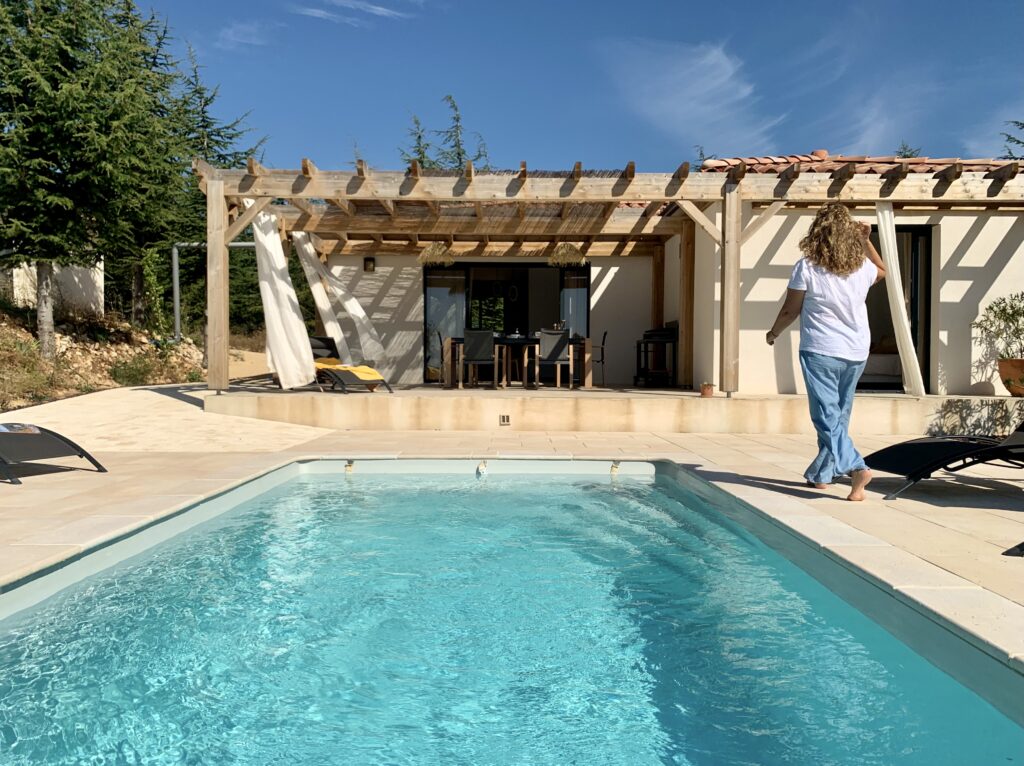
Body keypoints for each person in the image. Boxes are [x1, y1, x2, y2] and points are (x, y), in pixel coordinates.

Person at [766, 202, 886, 501]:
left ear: (817, 233)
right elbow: (883, 271)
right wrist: (866, 240)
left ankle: (856, 467)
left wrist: (774, 332)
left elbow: (790, 309)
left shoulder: (807, 266)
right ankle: (822, 475)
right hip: (856, 351)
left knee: (825, 416)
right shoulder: (861, 266)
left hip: (821, 349)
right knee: (838, 416)